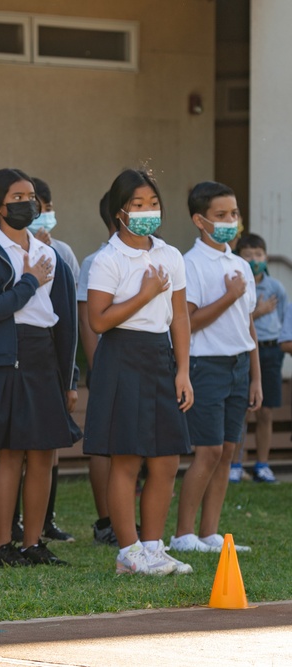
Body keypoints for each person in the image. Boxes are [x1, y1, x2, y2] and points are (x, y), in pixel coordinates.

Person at [84, 168, 193, 576]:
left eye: (153, 204)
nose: (148, 211)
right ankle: (128, 551)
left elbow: (179, 316)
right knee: (126, 459)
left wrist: (182, 370)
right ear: (119, 212)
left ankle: (153, 546)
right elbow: (98, 321)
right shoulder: (108, 259)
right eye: (137, 205)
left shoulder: (170, 255)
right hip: (121, 356)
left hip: (159, 357)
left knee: (165, 460)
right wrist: (144, 294)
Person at [0, 168, 77, 568]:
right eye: (17, 197)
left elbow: (65, 320)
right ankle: (3, 545)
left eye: (31, 196)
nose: (27, 203)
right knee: (11, 454)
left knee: (44, 453)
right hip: (6, 359)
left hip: (43, 356)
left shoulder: (50, 254)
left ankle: (33, 543)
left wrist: (69, 378)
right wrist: (28, 281)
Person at [170, 181, 260, 555]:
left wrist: (256, 376)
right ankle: (183, 533)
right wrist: (229, 296)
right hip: (206, 366)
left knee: (227, 450)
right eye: (221, 215)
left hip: (239, 365)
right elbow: (187, 322)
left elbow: (249, 324)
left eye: (234, 214)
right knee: (206, 452)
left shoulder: (240, 264)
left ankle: (210, 532)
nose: (230, 222)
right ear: (199, 220)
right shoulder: (190, 265)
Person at [78, 192, 119, 546]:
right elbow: (87, 322)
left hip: (143, 365)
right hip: (108, 367)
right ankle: (106, 520)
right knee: (104, 445)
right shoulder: (96, 261)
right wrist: (99, 368)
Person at [235, 233, 286, 483]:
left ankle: (262, 465)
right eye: (248, 255)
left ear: (266, 256)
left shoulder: (276, 287)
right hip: (244, 350)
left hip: (271, 351)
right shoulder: (238, 283)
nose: (254, 260)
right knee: (242, 410)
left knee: (265, 412)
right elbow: (235, 318)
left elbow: (285, 320)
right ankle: (235, 465)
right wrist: (259, 312)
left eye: (259, 255)